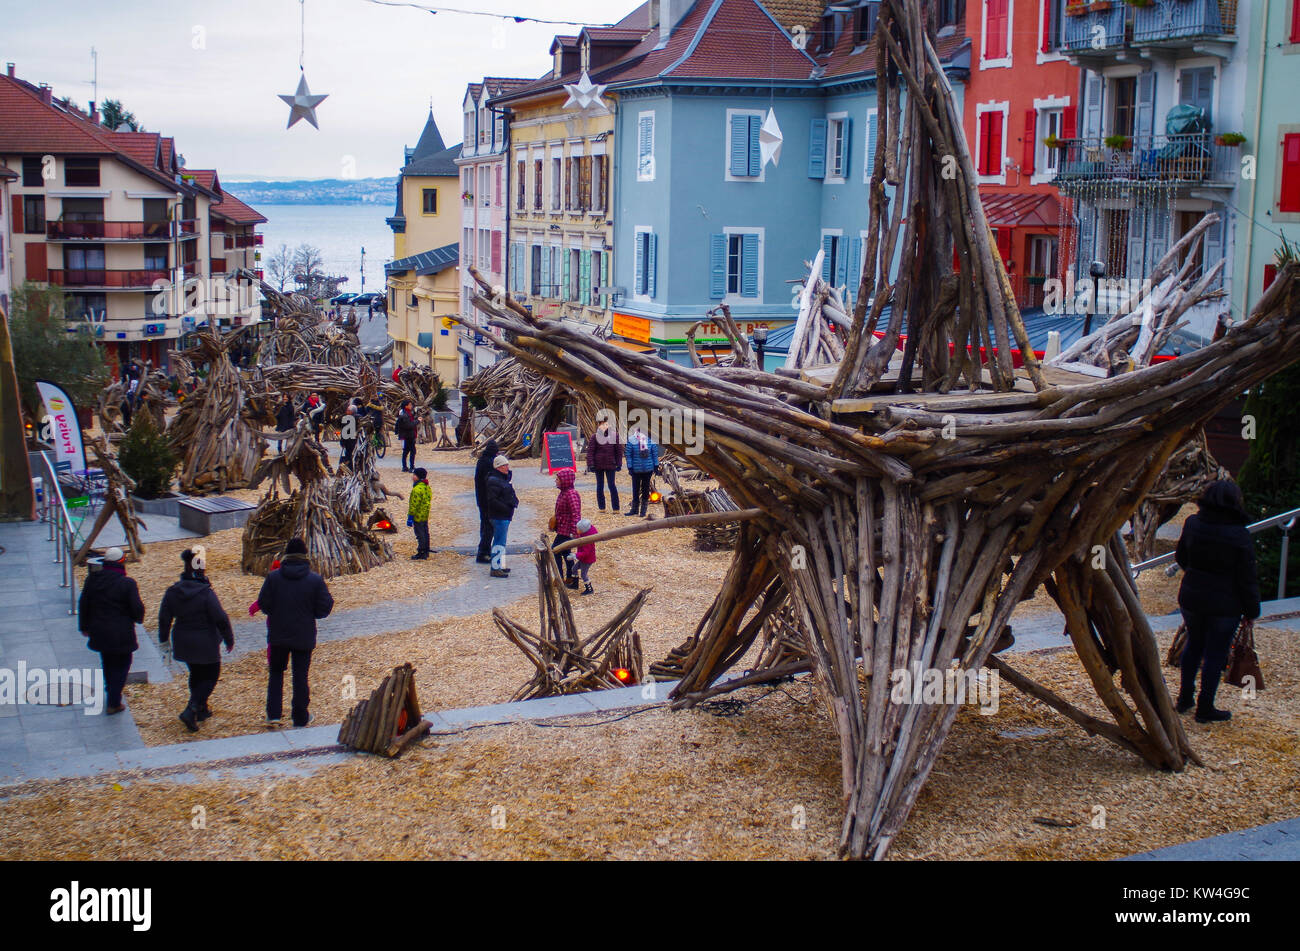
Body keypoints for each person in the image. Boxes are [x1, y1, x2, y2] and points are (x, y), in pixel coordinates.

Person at [1174, 479, 1261, 724]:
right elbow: (1247, 578)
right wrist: (1252, 610)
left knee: (1193, 645)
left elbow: (1182, 557)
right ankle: (1205, 707)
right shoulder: (1238, 534)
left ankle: (1184, 698)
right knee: (1215, 654)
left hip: (1191, 598)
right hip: (1225, 605)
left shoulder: (1192, 523)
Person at [257, 537, 334, 728]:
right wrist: (311, 613)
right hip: (303, 634)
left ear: (286, 556)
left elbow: (263, 603)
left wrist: (275, 614)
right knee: (300, 675)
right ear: (305, 556)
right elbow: (325, 607)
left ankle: (274, 714)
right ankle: (300, 716)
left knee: (276, 673)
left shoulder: (273, 578)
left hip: (278, 634)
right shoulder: (314, 580)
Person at [157, 546, 234, 732]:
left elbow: (164, 618)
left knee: (197, 673)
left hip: (183, 640)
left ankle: (202, 709)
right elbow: (221, 618)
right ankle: (191, 710)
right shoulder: (206, 593)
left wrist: (164, 640)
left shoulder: (173, 591)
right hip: (205, 641)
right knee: (211, 675)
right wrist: (228, 638)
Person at [78, 547, 145, 716]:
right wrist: (138, 618)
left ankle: (111, 691)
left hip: (99, 630)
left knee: (107, 662)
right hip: (121, 632)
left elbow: (84, 603)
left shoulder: (92, 580)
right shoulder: (127, 583)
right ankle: (114, 700)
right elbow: (136, 608)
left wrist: (84, 626)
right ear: (121, 562)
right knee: (123, 664)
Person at [484, 455, 519, 578]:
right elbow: (492, 500)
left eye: (507, 465)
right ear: (498, 467)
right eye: (504, 465)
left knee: (501, 542)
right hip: (499, 516)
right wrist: (506, 508)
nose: (507, 467)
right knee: (499, 542)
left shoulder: (501, 478)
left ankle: (500, 565)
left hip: (503, 515)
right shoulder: (493, 480)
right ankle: (495, 567)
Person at [552, 467, 582, 588]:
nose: (555, 481)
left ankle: (559, 577)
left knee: (555, 550)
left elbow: (576, 513)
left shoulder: (571, 494)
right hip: (562, 528)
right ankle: (570, 577)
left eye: (557, 479)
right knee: (565, 553)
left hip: (567, 530)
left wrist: (575, 531)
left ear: (565, 480)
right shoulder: (564, 492)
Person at [585, 419, 622, 513]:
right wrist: (591, 464)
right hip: (598, 465)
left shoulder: (614, 436)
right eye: (602, 424)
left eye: (606, 424)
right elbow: (590, 451)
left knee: (612, 485)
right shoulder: (595, 437)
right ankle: (602, 507)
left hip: (611, 464)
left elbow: (618, 451)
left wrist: (619, 463)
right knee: (600, 486)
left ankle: (616, 508)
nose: (604, 426)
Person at [473, 438, 500, 564]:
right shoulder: (489, 463)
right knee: (489, 527)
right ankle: (483, 552)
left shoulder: (481, 461)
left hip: (481, 499)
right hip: (488, 500)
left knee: (485, 525)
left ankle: (484, 551)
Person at [624, 427, 660, 518]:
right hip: (636, 469)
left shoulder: (650, 440)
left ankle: (643, 511)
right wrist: (630, 467)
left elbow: (654, 454)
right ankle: (634, 509)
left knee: (645, 489)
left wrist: (656, 466)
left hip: (648, 469)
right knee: (635, 490)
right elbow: (628, 455)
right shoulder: (632, 440)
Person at [408, 466, 431, 560]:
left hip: (418, 515)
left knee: (419, 533)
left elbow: (414, 504)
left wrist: (410, 516)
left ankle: (421, 551)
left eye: (414, 475)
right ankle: (426, 549)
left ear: (417, 477)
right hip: (425, 514)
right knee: (425, 532)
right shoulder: (426, 487)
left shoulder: (416, 489)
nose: (412, 477)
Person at [573, 517, 598, 595]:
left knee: (583, 574)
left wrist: (575, 556)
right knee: (574, 569)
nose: (576, 530)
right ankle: (575, 584)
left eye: (578, 529)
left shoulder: (587, 540)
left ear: (583, 530)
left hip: (587, 560)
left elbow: (586, 553)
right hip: (583, 559)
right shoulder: (585, 534)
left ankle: (589, 589)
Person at [395, 399, 419, 472]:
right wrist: (417, 421)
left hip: (408, 435)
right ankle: (411, 467)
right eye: (410, 405)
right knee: (412, 451)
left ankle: (405, 466)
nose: (411, 406)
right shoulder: (405, 414)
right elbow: (409, 425)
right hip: (408, 435)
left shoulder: (407, 413)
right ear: (406, 406)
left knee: (406, 451)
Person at [339, 402, 359, 467]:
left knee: (348, 455)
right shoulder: (359, 418)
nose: (346, 411)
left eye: (348, 410)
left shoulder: (347, 419)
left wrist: (342, 442)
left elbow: (344, 432)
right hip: (357, 441)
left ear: (351, 411)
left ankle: (350, 468)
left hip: (349, 441)